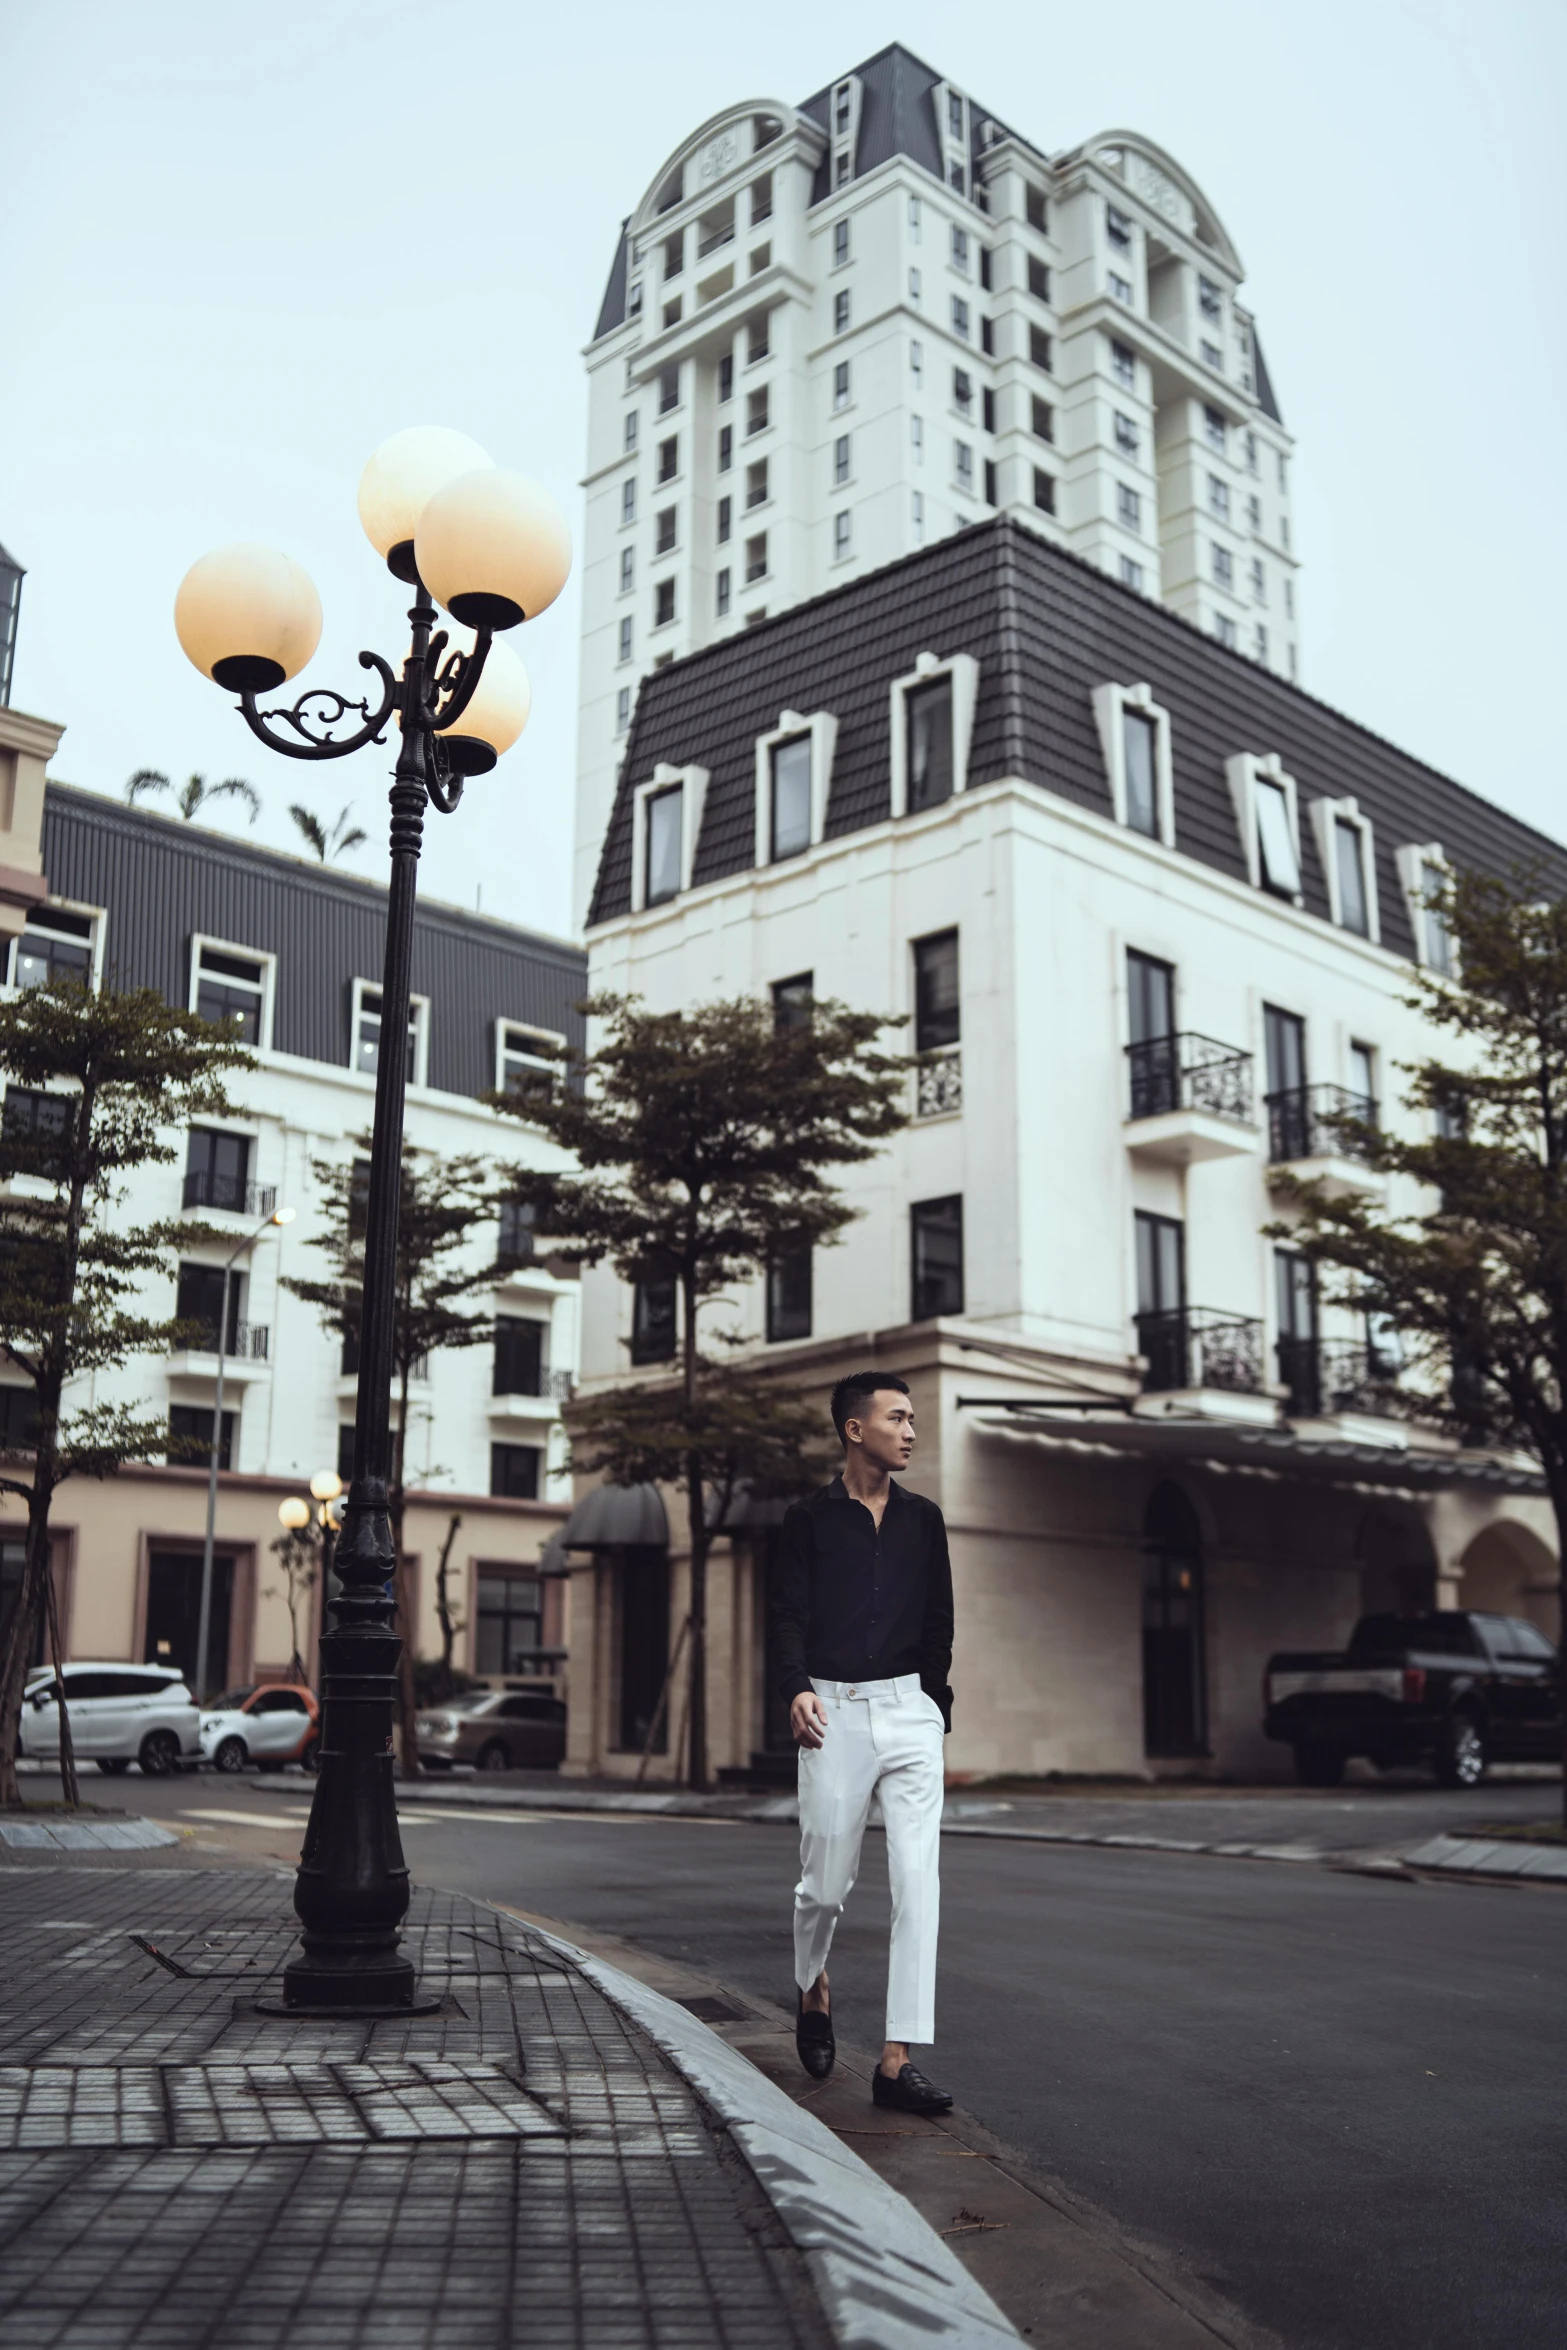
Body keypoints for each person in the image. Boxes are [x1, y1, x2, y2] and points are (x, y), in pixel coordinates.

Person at [768, 1371, 955, 2114]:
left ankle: (895, 2059)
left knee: (918, 1883)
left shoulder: (924, 1519)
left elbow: (939, 1621)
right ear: (855, 1429)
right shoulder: (806, 1519)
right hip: (832, 1713)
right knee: (824, 1884)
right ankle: (812, 1986)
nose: (910, 1431)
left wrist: (934, 1707)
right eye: (897, 1418)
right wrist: (795, 1687)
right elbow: (784, 1613)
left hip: (909, 1712)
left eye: (913, 1419)